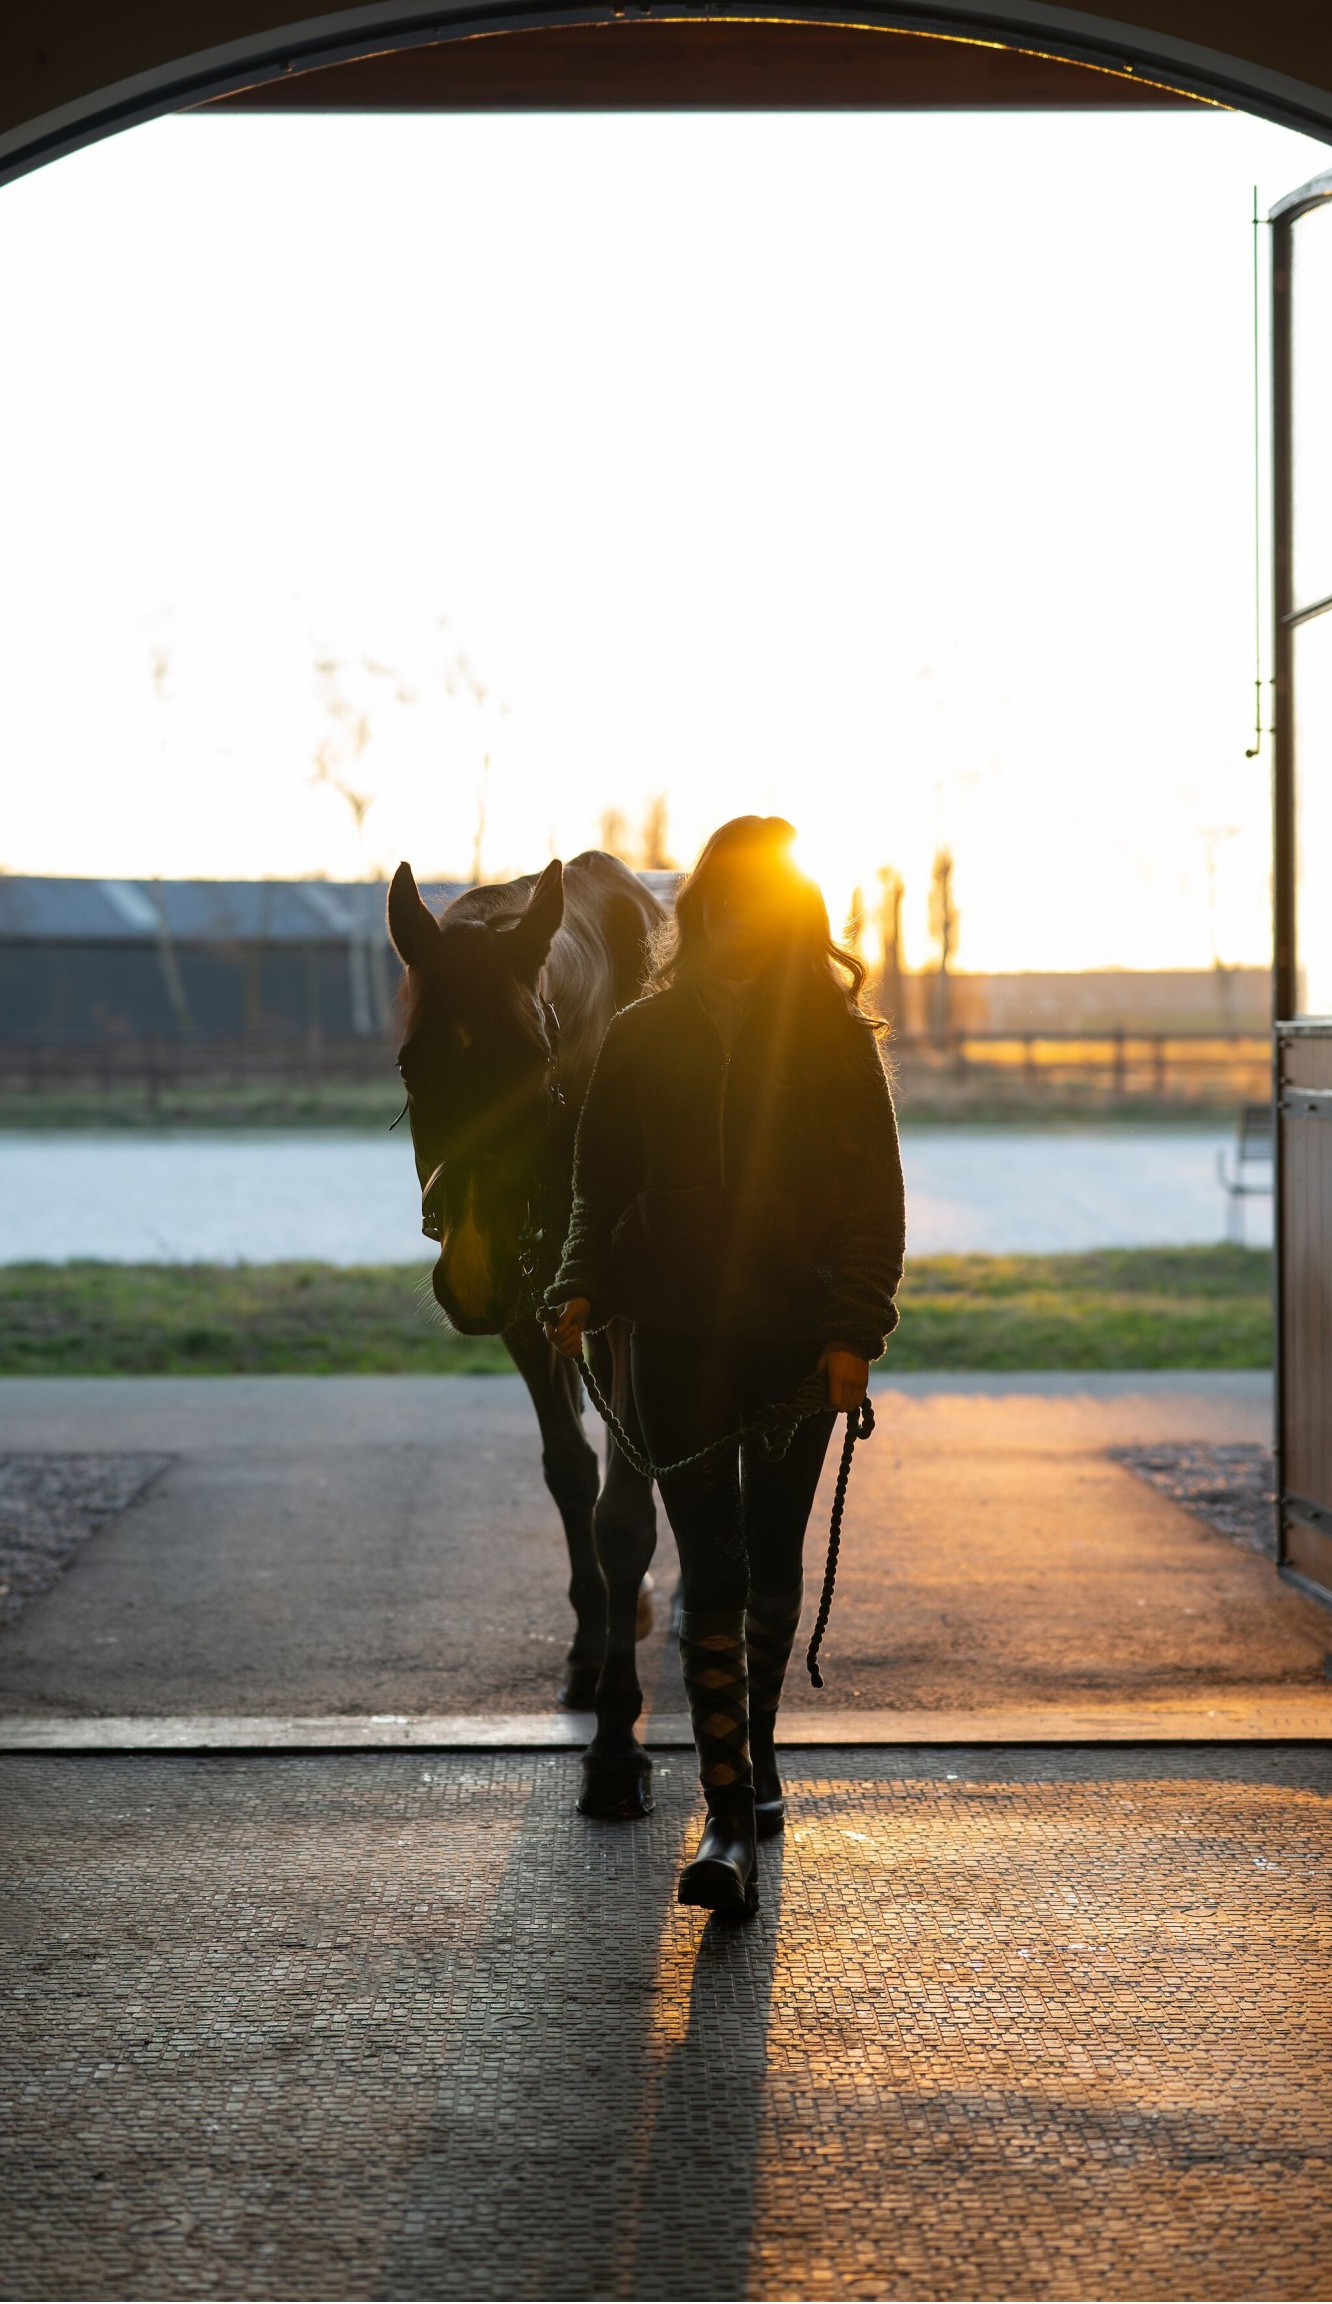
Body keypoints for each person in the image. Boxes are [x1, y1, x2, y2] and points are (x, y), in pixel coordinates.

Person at [545, 814, 905, 1919]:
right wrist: (577, 1285)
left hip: (796, 1348)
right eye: (726, 901)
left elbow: (871, 1202)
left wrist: (854, 1331)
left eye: (766, 903)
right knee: (707, 1570)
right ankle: (728, 1812)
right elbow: (598, 1192)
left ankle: (752, 1760)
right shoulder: (643, 1037)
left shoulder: (836, 1043)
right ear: (703, 909)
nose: (743, 921)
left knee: (768, 1568)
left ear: (793, 914)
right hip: (672, 1342)